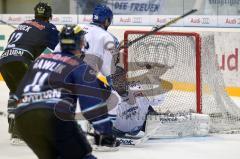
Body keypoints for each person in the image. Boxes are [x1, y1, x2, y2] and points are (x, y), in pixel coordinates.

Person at [14, 25, 120, 159]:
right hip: (54, 116)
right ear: (80, 43)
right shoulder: (79, 65)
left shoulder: (39, 60)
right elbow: (92, 105)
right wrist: (105, 131)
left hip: (23, 119)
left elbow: (18, 93)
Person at [0, 2, 59, 141]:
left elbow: (11, 43)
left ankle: (14, 127)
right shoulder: (50, 28)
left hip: (4, 61)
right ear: (49, 16)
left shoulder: (23, 24)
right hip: (21, 61)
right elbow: (52, 52)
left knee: (15, 92)